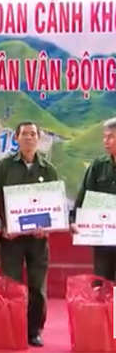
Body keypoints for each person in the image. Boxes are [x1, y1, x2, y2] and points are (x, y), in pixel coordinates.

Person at [0, 121, 58, 348]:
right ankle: (11, 327)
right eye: (24, 134)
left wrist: (47, 227)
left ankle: (33, 330)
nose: (29, 138)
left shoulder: (48, 169)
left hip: (38, 239)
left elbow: (54, 203)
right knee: (11, 284)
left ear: (38, 138)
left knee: (37, 286)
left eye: (33, 134)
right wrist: (4, 224)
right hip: (11, 238)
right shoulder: (4, 166)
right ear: (16, 138)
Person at [70, 117, 116, 281]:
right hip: (102, 237)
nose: (106, 141)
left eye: (111, 137)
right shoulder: (98, 165)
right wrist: (73, 219)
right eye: (104, 137)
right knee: (102, 281)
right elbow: (84, 194)